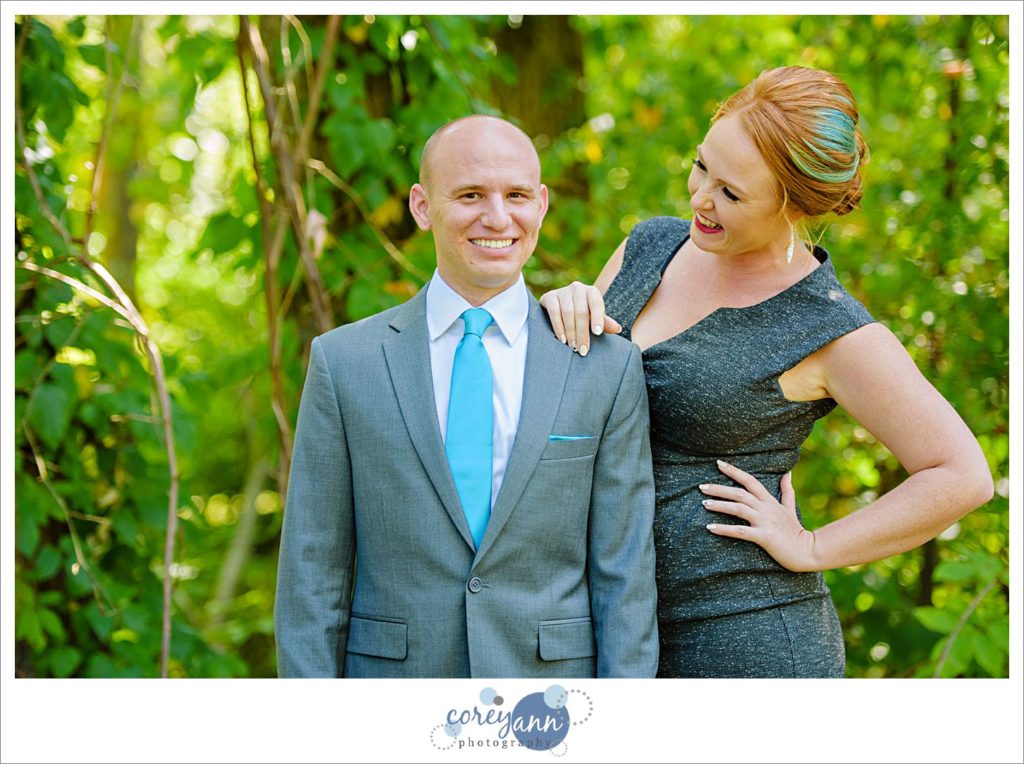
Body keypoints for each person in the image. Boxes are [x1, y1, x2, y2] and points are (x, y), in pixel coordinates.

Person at [540, 66, 994, 678]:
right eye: (702, 167)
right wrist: (557, 317)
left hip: (746, 636)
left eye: (732, 193)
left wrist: (813, 547)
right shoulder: (649, 245)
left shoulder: (828, 326)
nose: (702, 198)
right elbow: (566, 406)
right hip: (612, 623)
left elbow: (962, 475)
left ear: (793, 202)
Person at [274, 115, 659, 678]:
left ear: (543, 204)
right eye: (471, 195)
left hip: (550, 702)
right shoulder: (344, 363)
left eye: (517, 195)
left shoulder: (604, 366)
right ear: (423, 206)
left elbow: (624, 576)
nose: (498, 217)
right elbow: (312, 576)